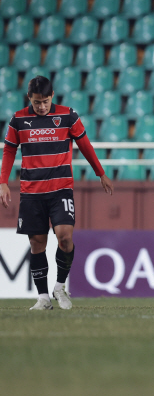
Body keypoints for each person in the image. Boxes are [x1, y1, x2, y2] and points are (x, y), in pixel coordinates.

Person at [0, 76, 113, 310]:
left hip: (60, 190)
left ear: (53, 96)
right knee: (37, 244)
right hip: (31, 193)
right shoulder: (18, 120)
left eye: (45, 101)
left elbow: (85, 145)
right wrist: (3, 182)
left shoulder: (68, 116)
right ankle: (43, 298)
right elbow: (10, 151)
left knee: (65, 238)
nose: (41, 106)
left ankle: (60, 286)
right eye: (36, 102)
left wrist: (100, 173)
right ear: (29, 99)